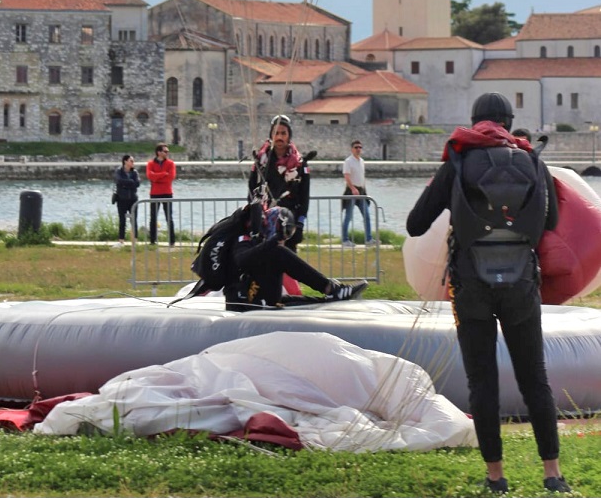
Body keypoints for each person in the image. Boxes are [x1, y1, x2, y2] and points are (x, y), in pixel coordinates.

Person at [406, 93, 570, 495]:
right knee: (536, 379)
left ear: (475, 120)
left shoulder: (459, 159)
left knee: (483, 382)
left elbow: (413, 224)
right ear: (509, 122)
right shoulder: (532, 160)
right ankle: (552, 474)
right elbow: (550, 221)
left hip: (471, 285)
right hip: (521, 286)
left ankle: (496, 477)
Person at [225, 204, 368, 311]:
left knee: (290, 299)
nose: (283, 240)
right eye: (283, 235)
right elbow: (241, 260)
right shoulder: (243, 238)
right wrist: (273, 241)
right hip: (243, 302)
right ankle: (331, 288)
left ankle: (331, 297)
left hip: (254, 296)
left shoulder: (257, 239)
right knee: (278, 252)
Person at [248, 114, 310, 251]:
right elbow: (251, 190)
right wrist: (255, 219)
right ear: (271, 135)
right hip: (264, 222)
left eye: (283, 133)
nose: (280, 137)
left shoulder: (300, 164)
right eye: (276, 133)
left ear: (289, 135)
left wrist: (299, 225)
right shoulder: (261, 161)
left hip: (289, 221)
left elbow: (304, 197)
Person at [341, 139, 373, 246]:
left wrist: (364, 190)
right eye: (356, 147)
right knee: (348, 216)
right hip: (351, 192)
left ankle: (369, 239)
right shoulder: (348, 161)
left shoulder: (362, 161)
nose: (358, 149)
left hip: (361, 192)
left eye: (360, 147)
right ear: (352, 149)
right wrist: (353, 188)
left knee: (367, 215)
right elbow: (346, 176)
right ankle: (345, 240)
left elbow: (362, 177)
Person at [146, 143, 176, 245]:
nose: (167, 153)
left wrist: (157, 177)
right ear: (159, 152)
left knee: (169, 217)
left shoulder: (171, 164)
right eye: (165, 151)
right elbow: (150, 176)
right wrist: (163, 174)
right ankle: (152, 240)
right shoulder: (150, 164)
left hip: (167, 193)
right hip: (155, 193)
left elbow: (170, 177)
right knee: (153, 217)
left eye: (167, 151)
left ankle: (172, 241)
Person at [113, 153, 140, 245]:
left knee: (134, 220)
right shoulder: (119, 171)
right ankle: (121, 240)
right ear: (125, 161)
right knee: (122, 220)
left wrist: (127, 184)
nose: (133, 163)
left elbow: (137, 183)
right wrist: (130, 182)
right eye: (131, 161)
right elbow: (119, 181)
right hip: (121, 199)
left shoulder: (135, 172)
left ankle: (135, 240)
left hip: (133, 199)